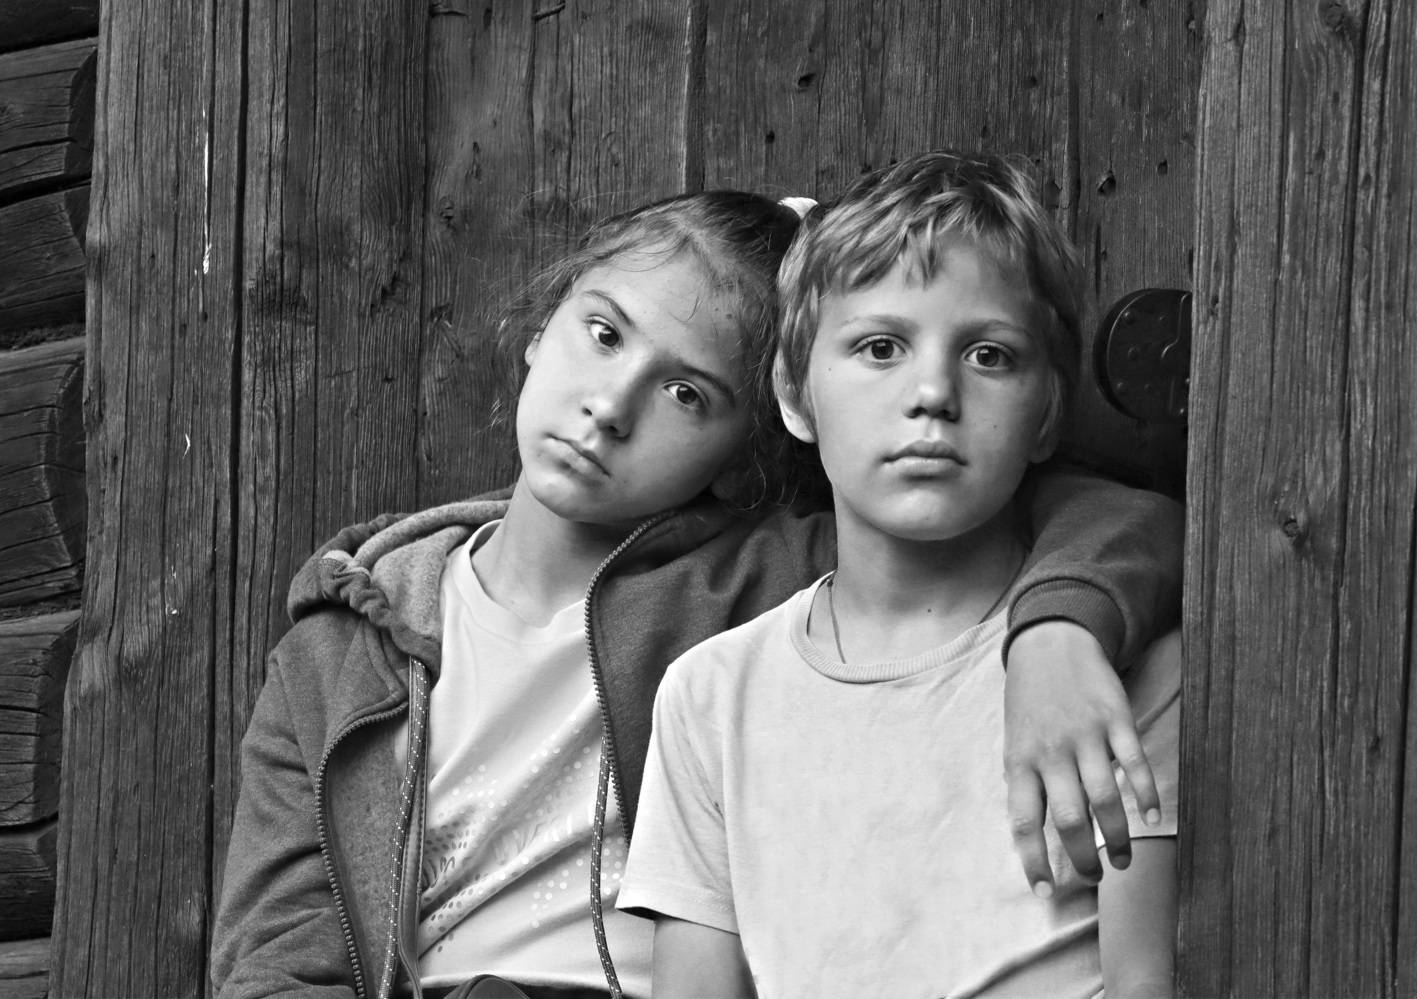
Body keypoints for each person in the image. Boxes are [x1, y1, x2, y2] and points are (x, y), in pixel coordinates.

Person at [210, 188, 1182, 999]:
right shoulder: (343, 645)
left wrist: (1059, 629)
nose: (610, 406)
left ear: (753, 441)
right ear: (540, 329)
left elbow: (1101, 513)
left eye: (687, 395)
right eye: (602, 333)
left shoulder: (764, 578)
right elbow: (277, 956)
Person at [618, 152, 1181, 999]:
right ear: (794, 393)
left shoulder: (1118, 670)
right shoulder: (709, 695)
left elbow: (1146, 982)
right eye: (880, 347)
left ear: (1047, 413)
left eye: (989, 354)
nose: (933, 392)